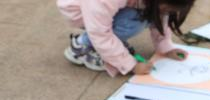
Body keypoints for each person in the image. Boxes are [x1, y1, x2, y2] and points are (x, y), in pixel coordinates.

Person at [57, 0, 194, 75]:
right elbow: (99, 32)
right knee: (134, 21)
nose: (167, 13)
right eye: (167, 9)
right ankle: (82, 46)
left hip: (108, 8)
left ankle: (114, 43)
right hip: (79, 10)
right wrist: (131, 65)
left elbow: (159, 16)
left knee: (150, 13)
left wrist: (166, 47)